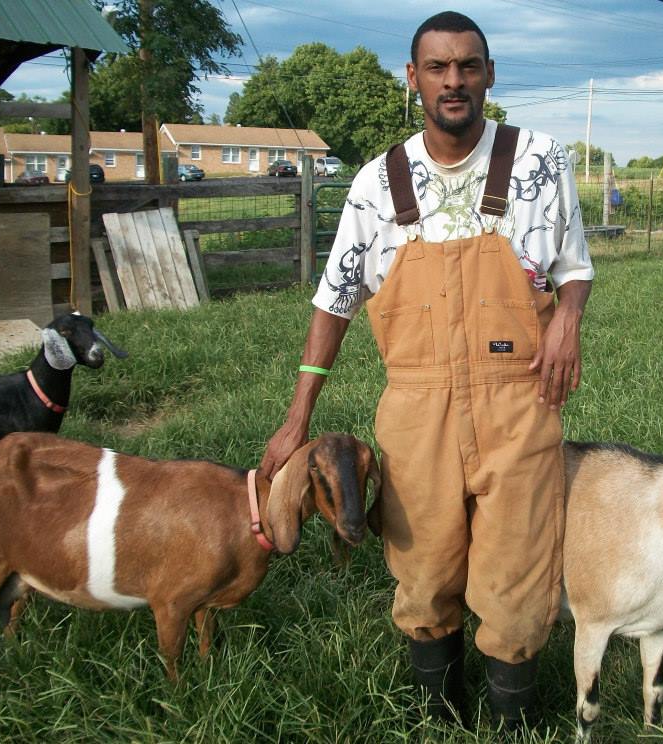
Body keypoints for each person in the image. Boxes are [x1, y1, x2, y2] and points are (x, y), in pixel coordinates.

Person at [259, 10, 594, 729]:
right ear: (412, 78)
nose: (454, 80)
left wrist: (568, 316)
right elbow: (335, 301)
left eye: (468, 66)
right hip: (416, 409)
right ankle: (435, 718)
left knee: (519, 573)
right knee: (424, 570)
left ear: (489, 74)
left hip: (520, 402)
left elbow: (575, 267)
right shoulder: (377, 185)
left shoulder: (541, 160)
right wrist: (297, 419)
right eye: (438, 67)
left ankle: (512, 724)